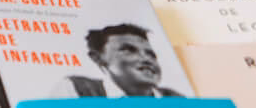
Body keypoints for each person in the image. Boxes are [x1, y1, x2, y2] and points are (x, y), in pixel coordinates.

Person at [51, 24, 186, 98]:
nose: (146, 59)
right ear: (98, 58)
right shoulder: (78, 89)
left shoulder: (174, 98)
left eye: (151, 54)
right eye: (129, 50)